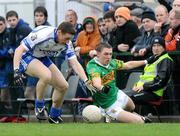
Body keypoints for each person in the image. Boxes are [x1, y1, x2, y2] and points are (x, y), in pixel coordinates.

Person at [13, 22, 96, 124]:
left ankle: (54, 115)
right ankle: (39, 106)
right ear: (59, 32)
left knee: (63, 86)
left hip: (42, 57)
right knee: (46, 75)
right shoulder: (43, 35)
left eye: (70, 39)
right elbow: (19, 50)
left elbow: (74, 63)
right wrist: (16, 70)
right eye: (66, 38)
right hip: (25, 56)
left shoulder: (67, 43)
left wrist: (86, 80)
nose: (68, 42)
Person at [86, 42, 152, 123]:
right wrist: (102, 88)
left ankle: (135, 117)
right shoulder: (93, 66)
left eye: (110, 54)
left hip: (117, 94)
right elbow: (96, 83)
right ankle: (141, 119)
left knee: (132, 107)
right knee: (139, 122)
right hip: (108, 105)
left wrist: (146, 61)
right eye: (106, 54)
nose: (109, 57)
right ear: (98, 54)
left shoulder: (112, 62)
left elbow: (127, 65)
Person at [131, 36, 173, 110]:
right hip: (143, 90)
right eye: (154, 46)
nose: (156, 48)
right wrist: (136, 85)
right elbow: (144, 78)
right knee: (122, 96)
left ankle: (136, 119)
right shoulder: (152, 58)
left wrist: (144, 87)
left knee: (128, 99)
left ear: (163, 47)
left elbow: (160, 81)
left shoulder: (165, 60)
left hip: (154, 93)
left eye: (159, 46)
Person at [25, 6, 51, 100]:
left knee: (40, 94)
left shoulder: (48, 30)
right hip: (34, 63)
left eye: (41, 15)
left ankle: (41, 113)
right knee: (29, 93)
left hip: (45, 65)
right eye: (36, 15)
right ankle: (36, 113)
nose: (38, 18)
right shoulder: (35, 29)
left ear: (45, 17)